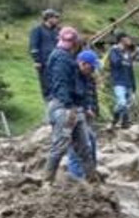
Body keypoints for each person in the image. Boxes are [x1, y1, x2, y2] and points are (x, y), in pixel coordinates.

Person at [43, 27, 97, 185]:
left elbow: (79, 87)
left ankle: (92, 180)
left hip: (72, 107)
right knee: (60, 146)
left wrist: (83, 107)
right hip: (64, 108)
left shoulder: (68, 59)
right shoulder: (61, 58)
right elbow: (61, 85)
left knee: (84, 147)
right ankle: (46, 182)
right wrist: (68, 107)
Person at [66, 49, 101, 181]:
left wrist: (89, 107)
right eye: (91, 67)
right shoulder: (72, 76)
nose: (93, 71)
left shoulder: (86, 77)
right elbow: (69, 96)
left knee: (91, 140)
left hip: (81, 113)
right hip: (70, 113)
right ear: (83, 64)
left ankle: (90, 173)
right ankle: (76, 176)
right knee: (74, 145)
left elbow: (88, 95)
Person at [29, 9, 61, 103]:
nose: (57, 20)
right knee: (47, 87)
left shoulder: (57, 31)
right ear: (48, 18)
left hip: (57, 63)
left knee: (57, 85)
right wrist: (36, 60)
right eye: (55, 18)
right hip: (44, 63)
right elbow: (33, 46)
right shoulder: (37, 30)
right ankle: (49, 107)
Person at [107, 33, 137, 128]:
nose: (129, 40)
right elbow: (115, 63)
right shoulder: (114, 51)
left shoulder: (128, 53)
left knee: (127, 104)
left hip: (128, 82)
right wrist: (121, 53)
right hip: (119, 81)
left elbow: (130, 69)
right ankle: (117, 120)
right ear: (122, 40)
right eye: (127, 38)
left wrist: (134, 85)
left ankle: (123, 122)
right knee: (122, 103)